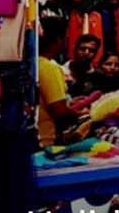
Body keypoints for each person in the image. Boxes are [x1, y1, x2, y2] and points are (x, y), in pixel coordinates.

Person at [38, 16, 83, 147]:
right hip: (47, 140)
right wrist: (81, 114)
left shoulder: (32, 64)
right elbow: (60, 112)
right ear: (58, 40)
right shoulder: (49, 68)